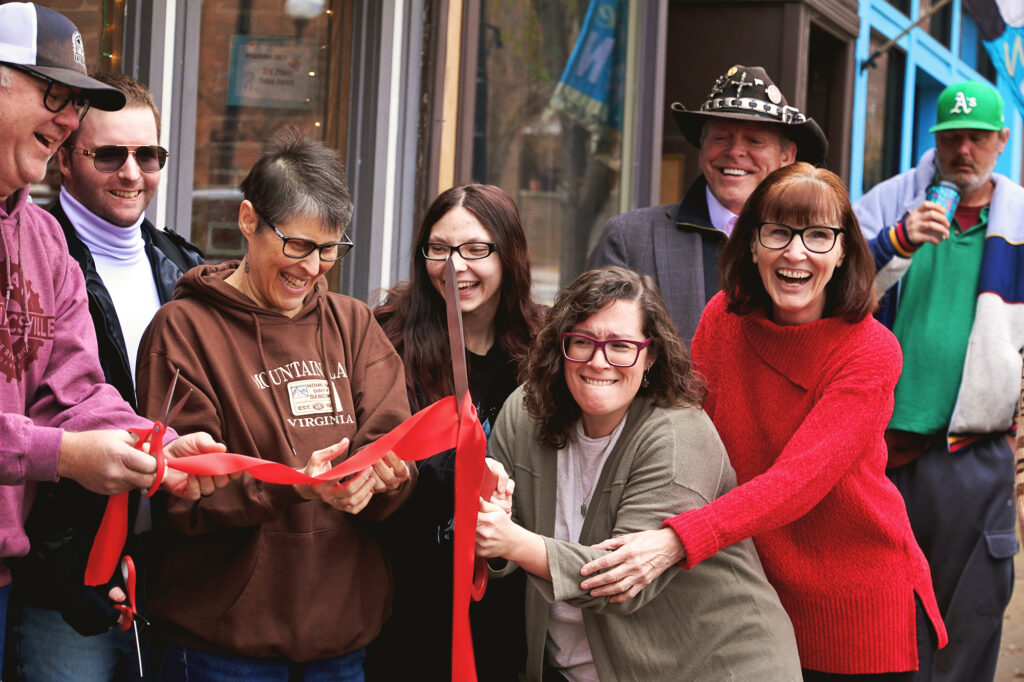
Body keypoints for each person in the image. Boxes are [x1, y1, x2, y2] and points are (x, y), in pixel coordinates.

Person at [577, 165, 948, 679]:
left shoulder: (870, 351)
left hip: (858, 618)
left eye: (819, 235)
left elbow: (797, 481)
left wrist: (672, 542)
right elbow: (687, 435)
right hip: (754, 603)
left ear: (844, 251)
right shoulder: (723, 319)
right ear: (752, 244)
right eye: (778, 232)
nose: (796, 253)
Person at [136, 130, 415, 680]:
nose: (312, 268)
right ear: (247, 221)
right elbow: (184, 496)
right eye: (298, 245)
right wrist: (291, 485)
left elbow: (396, 446)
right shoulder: (185, 330)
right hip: (222, 644)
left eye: (330, 249)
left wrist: (380, 481)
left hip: (341, 640)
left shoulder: (354, 324)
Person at [0, 2, 225, 668]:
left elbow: (76, 390)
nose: (67, 118)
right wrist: (66, 455)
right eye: (53, 94)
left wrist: (156, 445)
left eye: (75, 103)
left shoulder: (40, 239)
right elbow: (63, 436)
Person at [475, 265, 801, 681]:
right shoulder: (526, 413)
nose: (599, 361)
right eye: (582, 342)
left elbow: (623, 584)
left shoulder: (679, 436)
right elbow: (496, 542)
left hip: (717, 666)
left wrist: (513, 540)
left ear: (650, 355)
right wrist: (494, 515)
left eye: (620, 346)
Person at [853, 80, 1023, 682]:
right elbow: (831, 292)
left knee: (967, 614)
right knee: (878, 616)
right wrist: (895, 241)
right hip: (877, 449)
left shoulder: (1020, 218)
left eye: (977, 137)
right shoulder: (890, 200)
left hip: (971, 451)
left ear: (1003, 140)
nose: (964, 150)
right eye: (952, 138)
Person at [368, 183, 543, 681]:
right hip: (402, 601)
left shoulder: (543, 350)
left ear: (509, 254)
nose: (454, 266)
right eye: (439, 249)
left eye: (474, 250)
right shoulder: (384, 339)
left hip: (503, 605)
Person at [587, 64, 827, 343]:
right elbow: (594, 346)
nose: (735, 151)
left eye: (755, 140)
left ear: (788, 156)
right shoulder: (629, 238)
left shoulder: (817, 249)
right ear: (702, 147)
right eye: (721, 137)